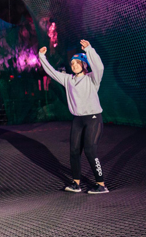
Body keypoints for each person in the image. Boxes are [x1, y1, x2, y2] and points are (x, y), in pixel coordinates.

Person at [39, 39, 109, 194]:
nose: (74, 66)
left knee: (90, 150)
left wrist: (89, 50)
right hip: (77, 119)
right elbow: (52, 72)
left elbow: (100, 67)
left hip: (93, 118)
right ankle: (76, 183)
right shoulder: (68, 79)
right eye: (72, 64)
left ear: (84, 64)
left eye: (77, 63)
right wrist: (42, 57)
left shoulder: (92, 78)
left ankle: (101, 184)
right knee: (74, 151)